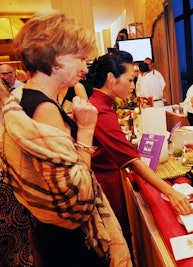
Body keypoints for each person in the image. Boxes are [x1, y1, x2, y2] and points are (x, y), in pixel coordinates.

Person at [0, 9, 132, 267]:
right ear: (56, 57)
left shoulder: (26, 98)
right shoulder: (45, 109)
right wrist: (85, 130)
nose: (85, 68)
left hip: (48, 231)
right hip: (70, 239)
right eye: (80, 58)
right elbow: (78, 197)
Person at [86, 50, 193, 254]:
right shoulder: (99, 110)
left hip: (109, 176)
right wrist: (170, 192)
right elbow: (131, 160)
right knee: (118, 239)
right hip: (105, 182)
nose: (133, 86)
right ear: (111, 78)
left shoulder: (102, 105)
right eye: (130, 79)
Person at [0, 81, 35, 267]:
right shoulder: (10, 113)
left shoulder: (10, 114)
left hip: (10, 194)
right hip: (10, 190)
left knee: (17, 252)